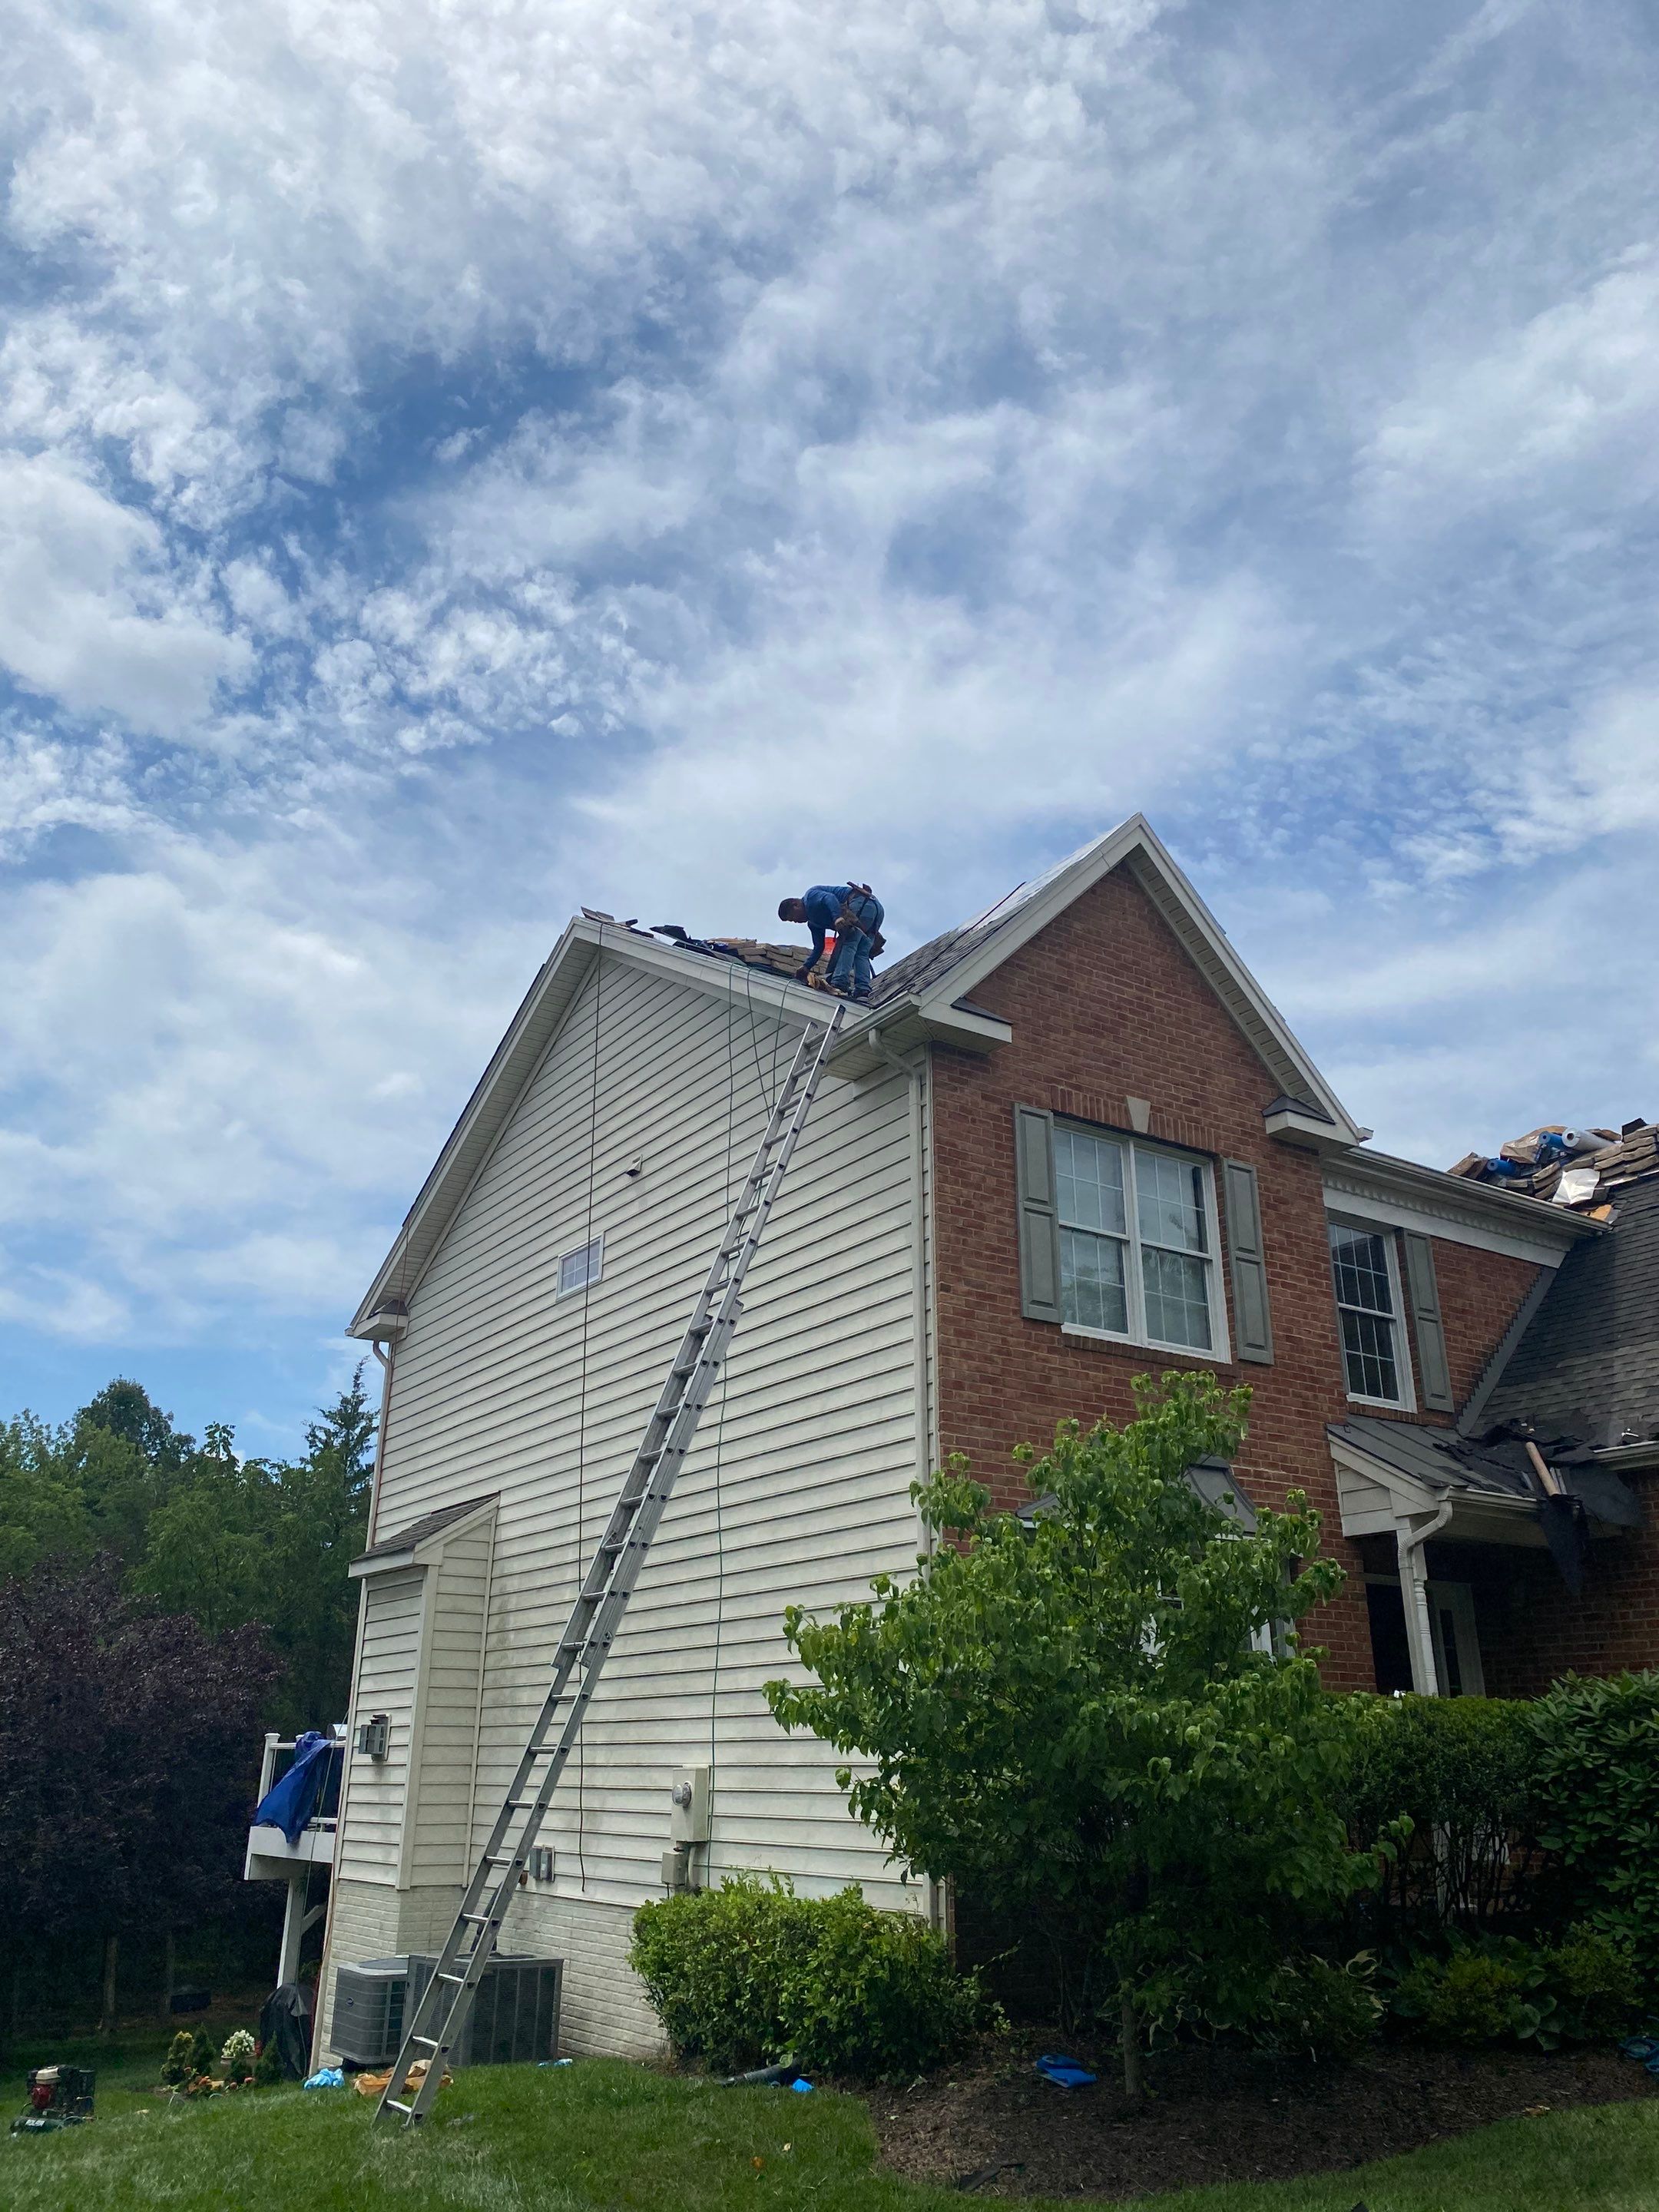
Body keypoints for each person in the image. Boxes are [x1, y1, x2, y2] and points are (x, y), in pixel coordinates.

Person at [777, 882, 885, 1002]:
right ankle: (863, 990)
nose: (796, 922)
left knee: (848, 943)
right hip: (874, 910)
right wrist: (806, 966)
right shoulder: (813, 924)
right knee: (862, 952)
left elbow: (830, 898)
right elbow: (819, 947)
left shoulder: (810, 897)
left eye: (793, 918)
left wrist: (837, 917)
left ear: (795, 905)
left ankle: (839, 983)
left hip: (862, 902)